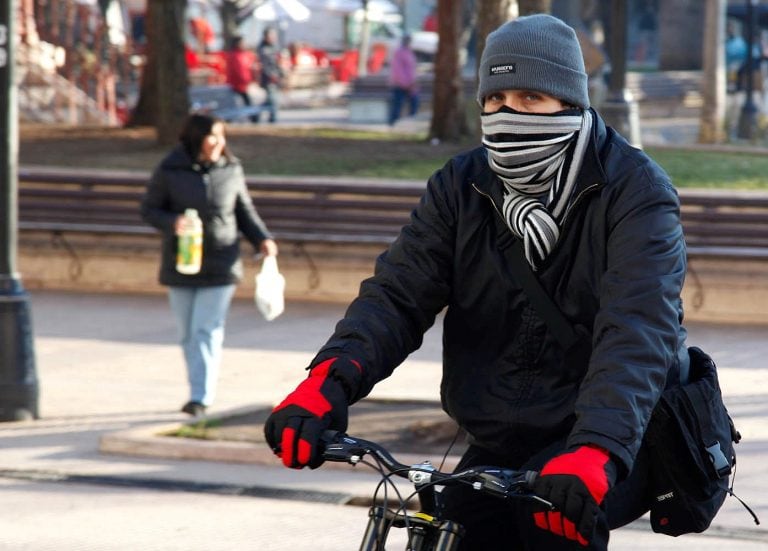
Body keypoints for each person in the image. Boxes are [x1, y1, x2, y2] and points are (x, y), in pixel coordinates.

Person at [264, 14, 688, 551]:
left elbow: (638, 329)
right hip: (500, 432)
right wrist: (327, 383)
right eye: (496, 98)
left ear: (570, 104)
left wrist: (596, 448)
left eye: (531, 98)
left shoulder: (635, 190)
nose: (509, 114)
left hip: (608, 433)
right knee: (455, 526)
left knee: (550, 531)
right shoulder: (460, 185)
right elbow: (397, 295)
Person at [142, 114, 278, 417]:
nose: (219, 143)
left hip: (221, 261)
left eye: (222, 136)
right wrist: (172, 222)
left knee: (206, 329)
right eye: (212, 136)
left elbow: (244, 210)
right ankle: (197, 389)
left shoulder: (231, 169)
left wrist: (262, 239)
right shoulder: (170, 168)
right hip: (182, 262)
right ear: (196, 138)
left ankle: (200, 396)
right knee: (188, 333)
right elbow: (149, 209)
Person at [388, 34, 420, 126]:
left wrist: (413, 82)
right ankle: (393, 124)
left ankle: (411, 123)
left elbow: (412, 70)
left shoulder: (410, 52)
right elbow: (397, 70)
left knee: (414, 103)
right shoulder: (398, 52)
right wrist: (406, 84)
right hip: (399, 85)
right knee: (397, 105)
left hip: (411, 85)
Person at [225, 35, 259, 122]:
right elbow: (239, 71)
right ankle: (253, 118)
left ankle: (253, 118)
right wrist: (246, 80)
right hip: (237, 84)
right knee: (243, 102)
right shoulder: (235, 56)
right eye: (242, 43)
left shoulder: (243, 54)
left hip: (242, 84)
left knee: (243, 102)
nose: (244, 44)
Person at [257, 27, 285, 124]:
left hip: (276, 76)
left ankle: (256, 112)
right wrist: (271, 75)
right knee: (273, 99)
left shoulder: (275, 47)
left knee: (270, 99)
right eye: (271, 35)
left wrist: (281, 74)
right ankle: (273, 119)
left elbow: (278, 63)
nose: (273, 37)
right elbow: (264, 64)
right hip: (268, 78)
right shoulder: (262, 48)